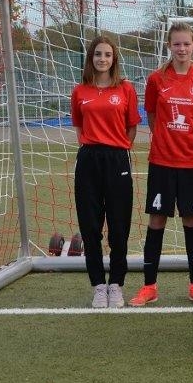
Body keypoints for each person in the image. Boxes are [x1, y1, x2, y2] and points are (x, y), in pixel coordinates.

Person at [131, 22, 193, 306]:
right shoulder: (156, 79)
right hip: (162, 162)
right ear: (169, 46)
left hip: (192, 163)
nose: (182, 49)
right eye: (177, 44)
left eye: (186, 44)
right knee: (157, 220)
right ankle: (149, 286)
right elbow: (152, 116)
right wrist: (166, 140)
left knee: (191, 220)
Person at [71, 35, 141, 309]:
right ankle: (99, 286)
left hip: (117, 159)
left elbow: (132, 126)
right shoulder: (80, 91)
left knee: (119, 226)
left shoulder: (125, 89)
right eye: (98, 54)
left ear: (114, 59)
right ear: (91, 58)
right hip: (89, 159)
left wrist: (118, 148)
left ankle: (116, 285)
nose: (102, 59)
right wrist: (92, 146)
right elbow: (79, 126)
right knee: (90, 226)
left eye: (107, 55)